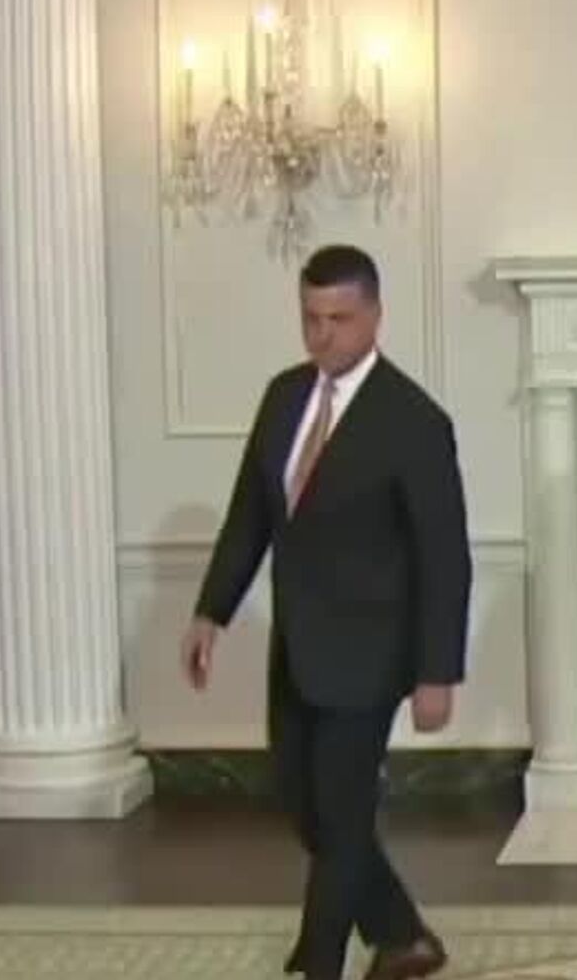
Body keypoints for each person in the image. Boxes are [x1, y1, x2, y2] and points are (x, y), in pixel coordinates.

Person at [180, 244, 470, 980]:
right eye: (310, 318)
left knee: (341, 819)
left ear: (374, 315)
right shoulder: (283, 398)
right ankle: (403, 936)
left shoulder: (413, 421)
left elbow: (444, 557)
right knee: (303, 806)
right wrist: (211, 612)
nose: (321, 334)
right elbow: (251, 516)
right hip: (297, 649)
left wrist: (437, 673)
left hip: (372, 654)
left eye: (338, 319)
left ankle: (320, 963)